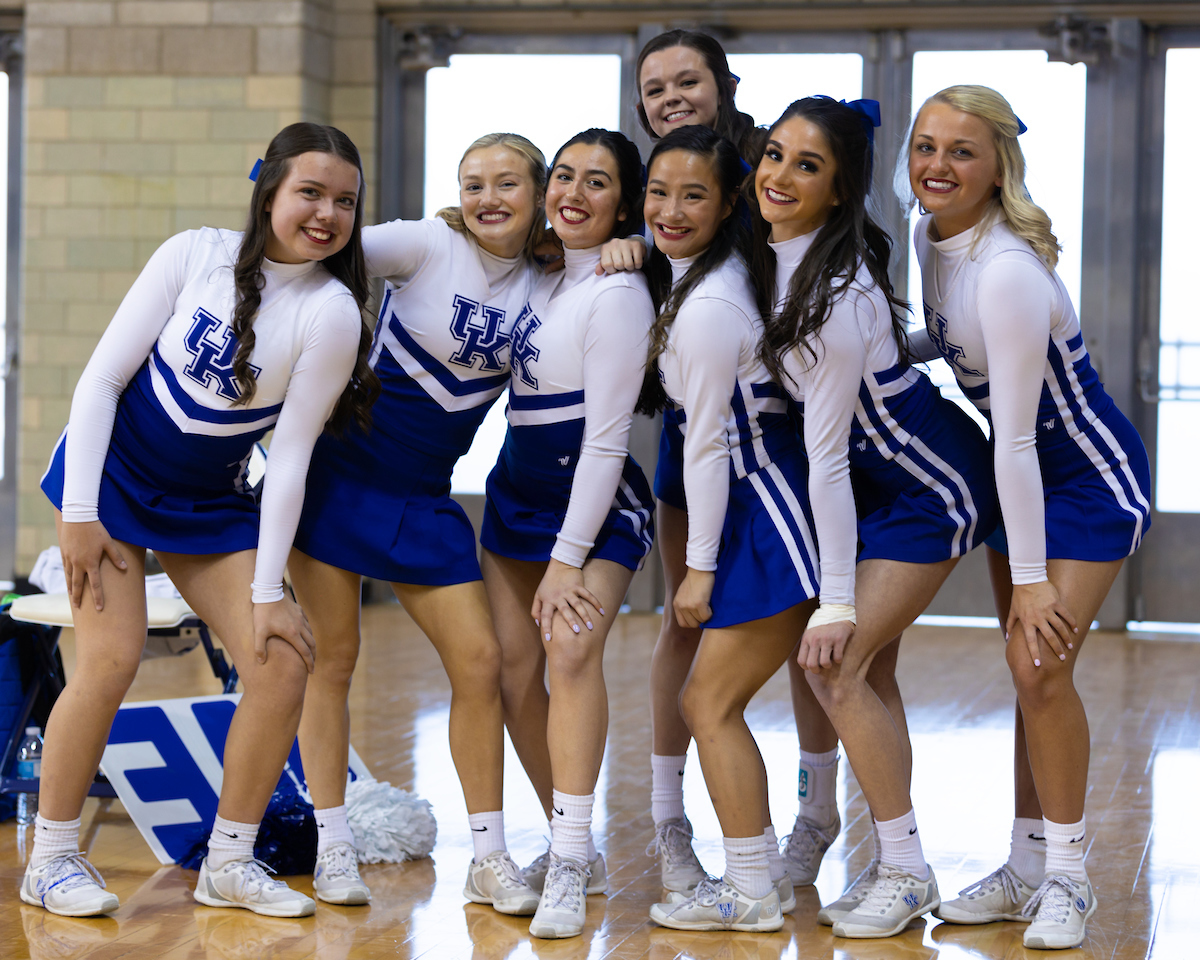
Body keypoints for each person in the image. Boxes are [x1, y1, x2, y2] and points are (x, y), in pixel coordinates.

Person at [26, 123, 377, 918]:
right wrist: (80, 514)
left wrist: (264, 590)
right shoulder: (195, 252)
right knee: (110, 661)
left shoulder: (332, 312)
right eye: (310, 193)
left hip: (210, 498)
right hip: (110, 477)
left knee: (282, 659)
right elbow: (101, 379)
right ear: (270, 192)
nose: (326, 214)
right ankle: (49, 858)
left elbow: (287, 460)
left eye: (345, 202)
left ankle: (229, 859)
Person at [903, 85, 1151, 950]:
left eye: (961, 151)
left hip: (1083, 480)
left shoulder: (1007, 269)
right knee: (1028, 673)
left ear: (998, 164)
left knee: (1039, 669)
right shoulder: (929, 237)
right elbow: (952, 338)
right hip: (1029, 483)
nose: (937, 165)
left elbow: (1012, 438)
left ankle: (1070, 881)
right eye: (925, 145)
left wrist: (1034, 576)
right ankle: (1024, 865)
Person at [753, 97, 998, 938]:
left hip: (932, 485)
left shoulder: (835, 292)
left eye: (807, 165)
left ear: (839, 188)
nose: (780, 175)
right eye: (775, 154)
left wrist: (837, 600)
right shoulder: (780, 255)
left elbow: (826, 458)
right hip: (879, 483)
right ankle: (879, 852)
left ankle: (905, 869)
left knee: (835, 662)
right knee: (866, 677)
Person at [288, 133, 548, 914]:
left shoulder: (550, 275)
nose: (488, 198)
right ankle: (332, 846)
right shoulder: (426, 244)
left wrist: (626, 253)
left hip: (425, 497)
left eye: (507, 183)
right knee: (331, 662)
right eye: (473, 183)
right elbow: (313, 247)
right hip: (339, 476)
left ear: (538, 193)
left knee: (481, 664)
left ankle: (491, 857)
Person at [617, 27, 844, 897]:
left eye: (687, 79)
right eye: (654, 87)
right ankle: (686, 835)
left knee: (814, 656)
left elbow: (835, 290)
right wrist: (624, 246)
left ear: (724, 83)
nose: (669, 95)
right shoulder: (663, 219)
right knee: (694, 641)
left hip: (776, 454)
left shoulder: (775, 178)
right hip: (714, 444)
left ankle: (825, 822)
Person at [640, 125, 819, 933]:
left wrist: (699, 569)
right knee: (708, 699)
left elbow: (707, 448)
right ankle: (758, 882)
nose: (670, 211)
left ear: (727, 203)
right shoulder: (703, 279)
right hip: (763, 505)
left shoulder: (709, 305)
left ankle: (752, 889)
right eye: (658, 192)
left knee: (708, 701)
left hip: (770, 509)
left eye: (693, 196)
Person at [481, 128, 655, 939]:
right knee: (516, 677)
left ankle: (574, 855)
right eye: (563, 176)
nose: (573, 193)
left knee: (572, 655)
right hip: (514, 498)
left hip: (594, 509)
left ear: (624, 201)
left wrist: (567, 559)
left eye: (597, 181)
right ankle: (566, 842)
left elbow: (607, 443)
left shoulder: (619, 293)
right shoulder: (538, 270)